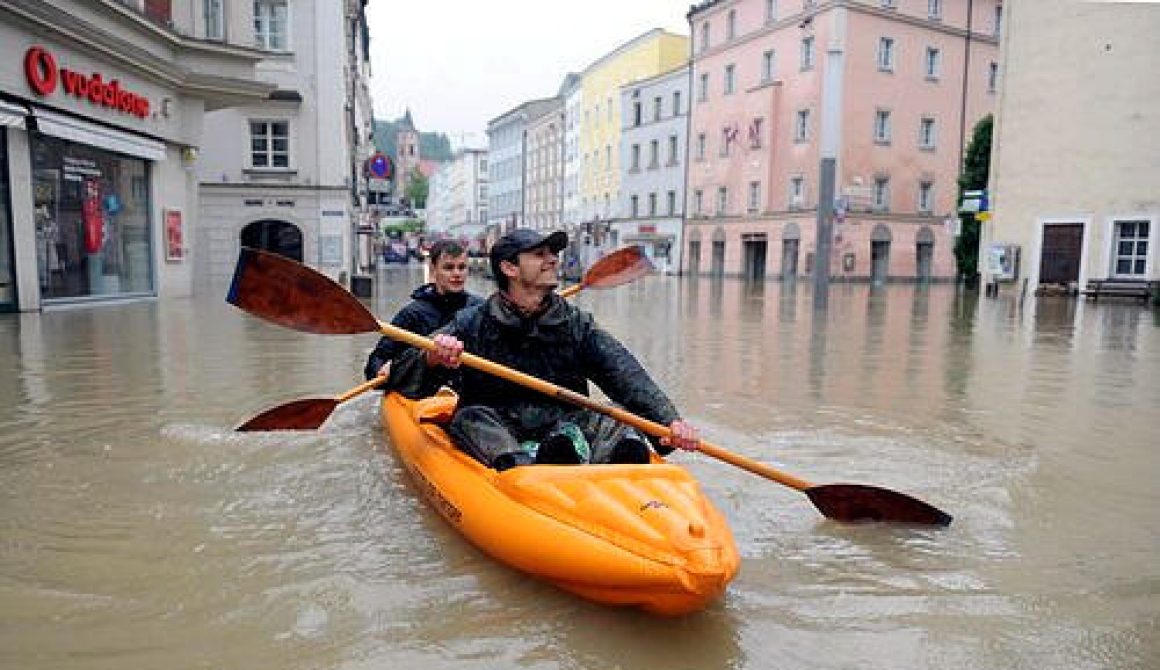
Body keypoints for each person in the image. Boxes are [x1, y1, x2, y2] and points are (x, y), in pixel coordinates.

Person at [388, 228, 700, 471]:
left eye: (552, 253)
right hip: (498, 422)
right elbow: (404, 375)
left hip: (563, 419)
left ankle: (603, 457)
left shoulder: (575, 323)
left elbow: (623, 372)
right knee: (471, 417)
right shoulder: (472, 322)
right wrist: (433, 356)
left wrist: (668, 422)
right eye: (539, 254)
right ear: (509, 268)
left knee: (617, 416)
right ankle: (524, 465)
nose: (553, 260)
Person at [364, 239, 482, 384]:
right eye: (449, 268)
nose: (457, 274)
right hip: (424, 394)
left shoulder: (480, 309)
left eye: (462, 267)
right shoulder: (412, 314)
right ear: (433, 270)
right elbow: (374, 366)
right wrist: (385, 370)